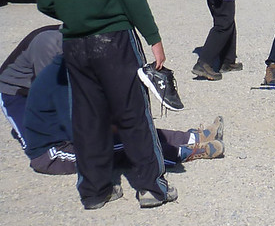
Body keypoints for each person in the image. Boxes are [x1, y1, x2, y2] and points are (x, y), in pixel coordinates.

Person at [35, 0, 175, 209]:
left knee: (88, 117)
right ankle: (151, 188)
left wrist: (77, 11)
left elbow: (44, 2)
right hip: (113, 40)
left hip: (75, 44)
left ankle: (95, 192)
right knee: (132, 113)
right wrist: (154, 38)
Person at [8, 51, 225, 173]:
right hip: (53, 153)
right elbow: (80, 132)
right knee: (128, 143)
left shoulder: (69, 71)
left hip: (69, 139)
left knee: (137, 130)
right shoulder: (59, 81)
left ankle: (194, 136)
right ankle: (187, 152)